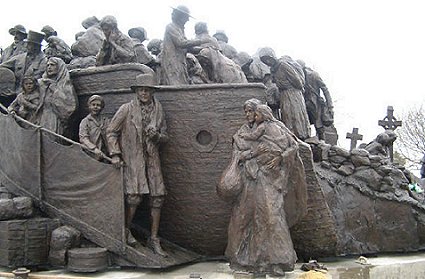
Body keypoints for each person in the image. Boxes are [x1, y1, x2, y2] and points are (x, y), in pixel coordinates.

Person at [218, 99, 307, 276]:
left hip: (270, 180)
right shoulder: (241, 133)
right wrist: (249, 153)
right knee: (243, 219)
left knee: (271, 218)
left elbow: (293, 146)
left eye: (251, 111)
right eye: (246, 112)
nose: (248, 115)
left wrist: (280, 157)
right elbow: (239, 153)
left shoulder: (275, 127)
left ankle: (276, 262)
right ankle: (245, 260)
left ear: (259, 112)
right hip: (248, 182)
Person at [107, 73, 168, 256]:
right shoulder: (126, 109)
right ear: (136, 91)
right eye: (141, 90)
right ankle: (125, 231)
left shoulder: (159, 110)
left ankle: (154, 239)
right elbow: (111, 132)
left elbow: (166, 136)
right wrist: (116, 154)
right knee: (134, 197)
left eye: (147, 90)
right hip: (133, 158)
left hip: (152, 158)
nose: (144, 93)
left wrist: (157, 136)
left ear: (152, 92)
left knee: (158, 197)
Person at [259, 47, 311, 140]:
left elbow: (297, 81)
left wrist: (285, 85)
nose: (267, 61)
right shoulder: (273, 69)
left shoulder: (283, 65)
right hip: (283, 95)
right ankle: (291, 137)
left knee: (296, 115)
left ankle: (300, 136)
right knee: (287, 116)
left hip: (293, 94)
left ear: (272, 56)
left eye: (268, 58)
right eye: (264, 60)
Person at [161, 5, 207, 85]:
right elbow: (181, 43)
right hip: (172, 62)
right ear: (180, 16)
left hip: (180, 61)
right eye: (186, 17)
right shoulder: (171, 27)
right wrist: (201, 41)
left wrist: (203, 49)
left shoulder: (180, 29)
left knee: (182, 82)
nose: (188, 20)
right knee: (175, 83)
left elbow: (188, 47)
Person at [36, 57, 78, 136]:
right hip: (41, 118)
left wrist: (54, 89)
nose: (49, 67)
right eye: (48, 65)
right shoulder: (41, 83)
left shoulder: (65, 85)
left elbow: (69, 107)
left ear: (59, 67)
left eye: (52, 65)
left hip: (55, 120)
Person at [0, 30, 47, 95]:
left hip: (33, 94)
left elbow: (37, 81)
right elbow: (2, 66)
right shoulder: (20, 58)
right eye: (27, 44)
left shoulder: (44, 61)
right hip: (13, 92)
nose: (27, 46)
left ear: (36, 47)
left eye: (29, 44)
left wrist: (17, 93)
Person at [297, 60, 334, 140]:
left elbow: (325, 89)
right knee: (303, 123)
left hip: (315, 103)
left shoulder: (313, 75)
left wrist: (330, 106)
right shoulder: (298, 75)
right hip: (303, 102)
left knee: (318, 125)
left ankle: (322, 141)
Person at [79, 95, 109, 161]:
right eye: (93, 105)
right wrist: (94, 149)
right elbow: (83, 138)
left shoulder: (105, 120)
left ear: (101, 107)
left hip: (105, 154)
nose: (95, 107)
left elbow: (110, 134)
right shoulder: (85, 121)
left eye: (98, 105)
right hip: (91, 154)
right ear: (89, 106)